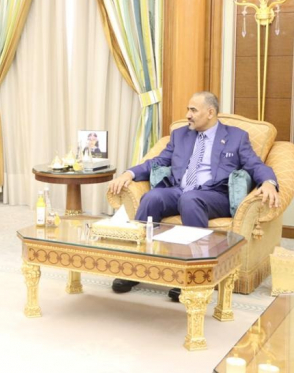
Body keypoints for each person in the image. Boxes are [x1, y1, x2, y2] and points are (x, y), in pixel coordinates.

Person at [107, 91, 280, 301]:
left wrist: (269, 182)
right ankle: (135, 266)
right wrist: (129, 173)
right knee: (152, 197)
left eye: (193, 110)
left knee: (190, 200)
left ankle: (192, 273)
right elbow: (158, 161)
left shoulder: (236, 137)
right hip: (179, 189)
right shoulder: (180, 135)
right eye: (188, 109)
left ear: (210, 112)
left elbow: (254, 164)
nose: (188, 115)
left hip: (214, 194)